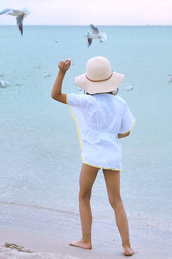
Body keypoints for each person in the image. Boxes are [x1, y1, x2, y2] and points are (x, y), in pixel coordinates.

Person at [51, 56, 137, 256]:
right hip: (112, 155)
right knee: (116, 201)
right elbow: (126, 131)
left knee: (84, 195)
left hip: (92, 155)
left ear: (88, 81)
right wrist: (109, 135)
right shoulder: (120, 103)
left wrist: (62, 72)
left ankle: (86, 240)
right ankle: (126, 246)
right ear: (111, 80)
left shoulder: (85, 101)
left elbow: (55, 95)